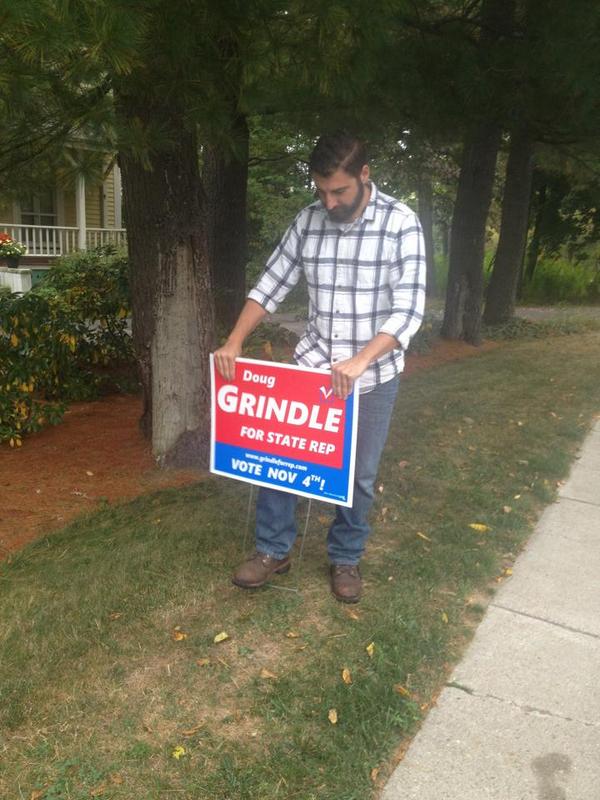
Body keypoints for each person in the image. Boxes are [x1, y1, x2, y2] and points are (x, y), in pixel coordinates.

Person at [214, 131, 426, 603]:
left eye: (339, 191)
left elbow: (409, 309)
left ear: (364, 175)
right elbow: (271, 282)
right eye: (321, 191)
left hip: (372, 376)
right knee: (279, 461)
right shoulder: (308, 221)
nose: (328, 202)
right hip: (312, 368)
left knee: (359, 475)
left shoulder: (401, 223)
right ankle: (273, 550)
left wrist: (361, 359)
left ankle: (345, 557)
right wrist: (233, 340)